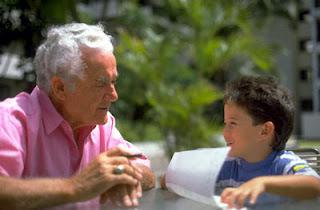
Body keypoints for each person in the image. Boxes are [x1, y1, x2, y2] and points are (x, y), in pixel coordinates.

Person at [0, 23, 155, 210]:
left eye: (113, 82)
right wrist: (75, 187)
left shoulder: (101, 125)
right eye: (101, 83)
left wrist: (125, 174)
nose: (114, 95)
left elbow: (145, 170)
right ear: (60, 88)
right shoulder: (10, 120)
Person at [218, 76, 320, 208]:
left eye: (232, 123)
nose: (225, 132)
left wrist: (262, 183)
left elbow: (314, 185)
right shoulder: (227, 166)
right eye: (225, 123)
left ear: (265, 130)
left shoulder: (283, 164)